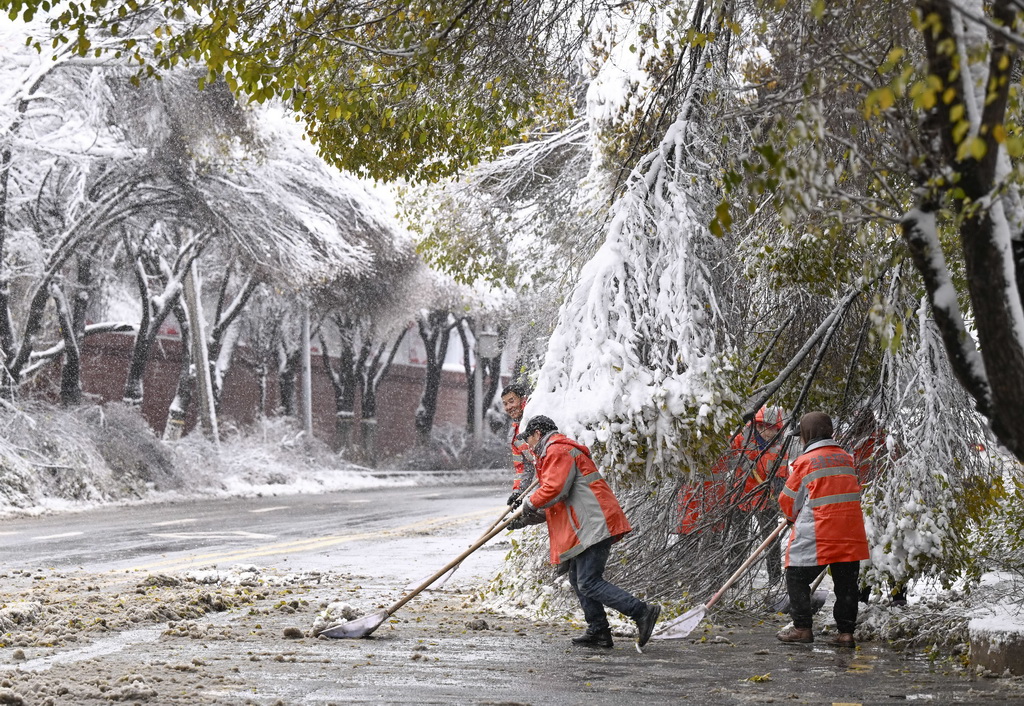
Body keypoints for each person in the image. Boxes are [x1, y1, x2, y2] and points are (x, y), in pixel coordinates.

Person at [512, 415, 661, 650]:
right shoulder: (554, 454)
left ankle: (642, 612)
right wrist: (524, 518)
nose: (528, 445)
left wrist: (528, 503)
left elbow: (553, 490)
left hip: (593, 522)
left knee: (589, 582)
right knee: (578, 579)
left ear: (538, 434)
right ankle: (599, 631)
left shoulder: (557, 449)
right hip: (585, 525)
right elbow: (555, 504)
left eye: (528, 439)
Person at [776, 411, 870, 647]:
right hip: (850, 532)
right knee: (846, 584)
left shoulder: (805, 462)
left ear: (807, 435)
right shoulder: (847, 458)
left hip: (819, 533)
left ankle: (802, 628)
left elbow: (788, 499)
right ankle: (846, 634)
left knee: (796, 575)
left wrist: (790, 517)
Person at [501, 383, 536, 506]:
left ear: (523, 399)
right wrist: (518, 492)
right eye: (505, 404)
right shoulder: (515, 435)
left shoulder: (537, 419)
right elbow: (524, 467)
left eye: (512, 401)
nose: (509, 407)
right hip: (544, 483)